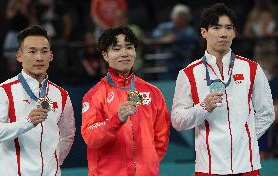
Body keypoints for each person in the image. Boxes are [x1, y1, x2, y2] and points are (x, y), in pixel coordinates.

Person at [171, 3, 274, 176]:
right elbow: (177, 120)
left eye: (228, 28)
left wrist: (244, 139)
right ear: (204, 32)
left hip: (247, 166)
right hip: (209, 167)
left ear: (234, 32)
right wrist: (202, 108)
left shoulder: (252, 69)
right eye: (216, 27)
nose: (223, 33)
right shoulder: (188, 74)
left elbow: (267, 113)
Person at [81, 26, 170, 176]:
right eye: (116, 49)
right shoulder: (94, 95)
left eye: (129, 47)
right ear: (105, 55)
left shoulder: (153, 93)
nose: (124, 53)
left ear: (135, 52)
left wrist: (147, 165)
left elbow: (161, 138)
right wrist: (116, 120)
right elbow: (91, 137)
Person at [0, 25, 75, 175]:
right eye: (32, 51)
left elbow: (68, 135)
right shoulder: (3, 91)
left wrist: (53, 164)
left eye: (44, 51)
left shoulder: (62, 95)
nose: (39, 57)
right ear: (19, 56)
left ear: (51, 56)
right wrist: (27, 122)